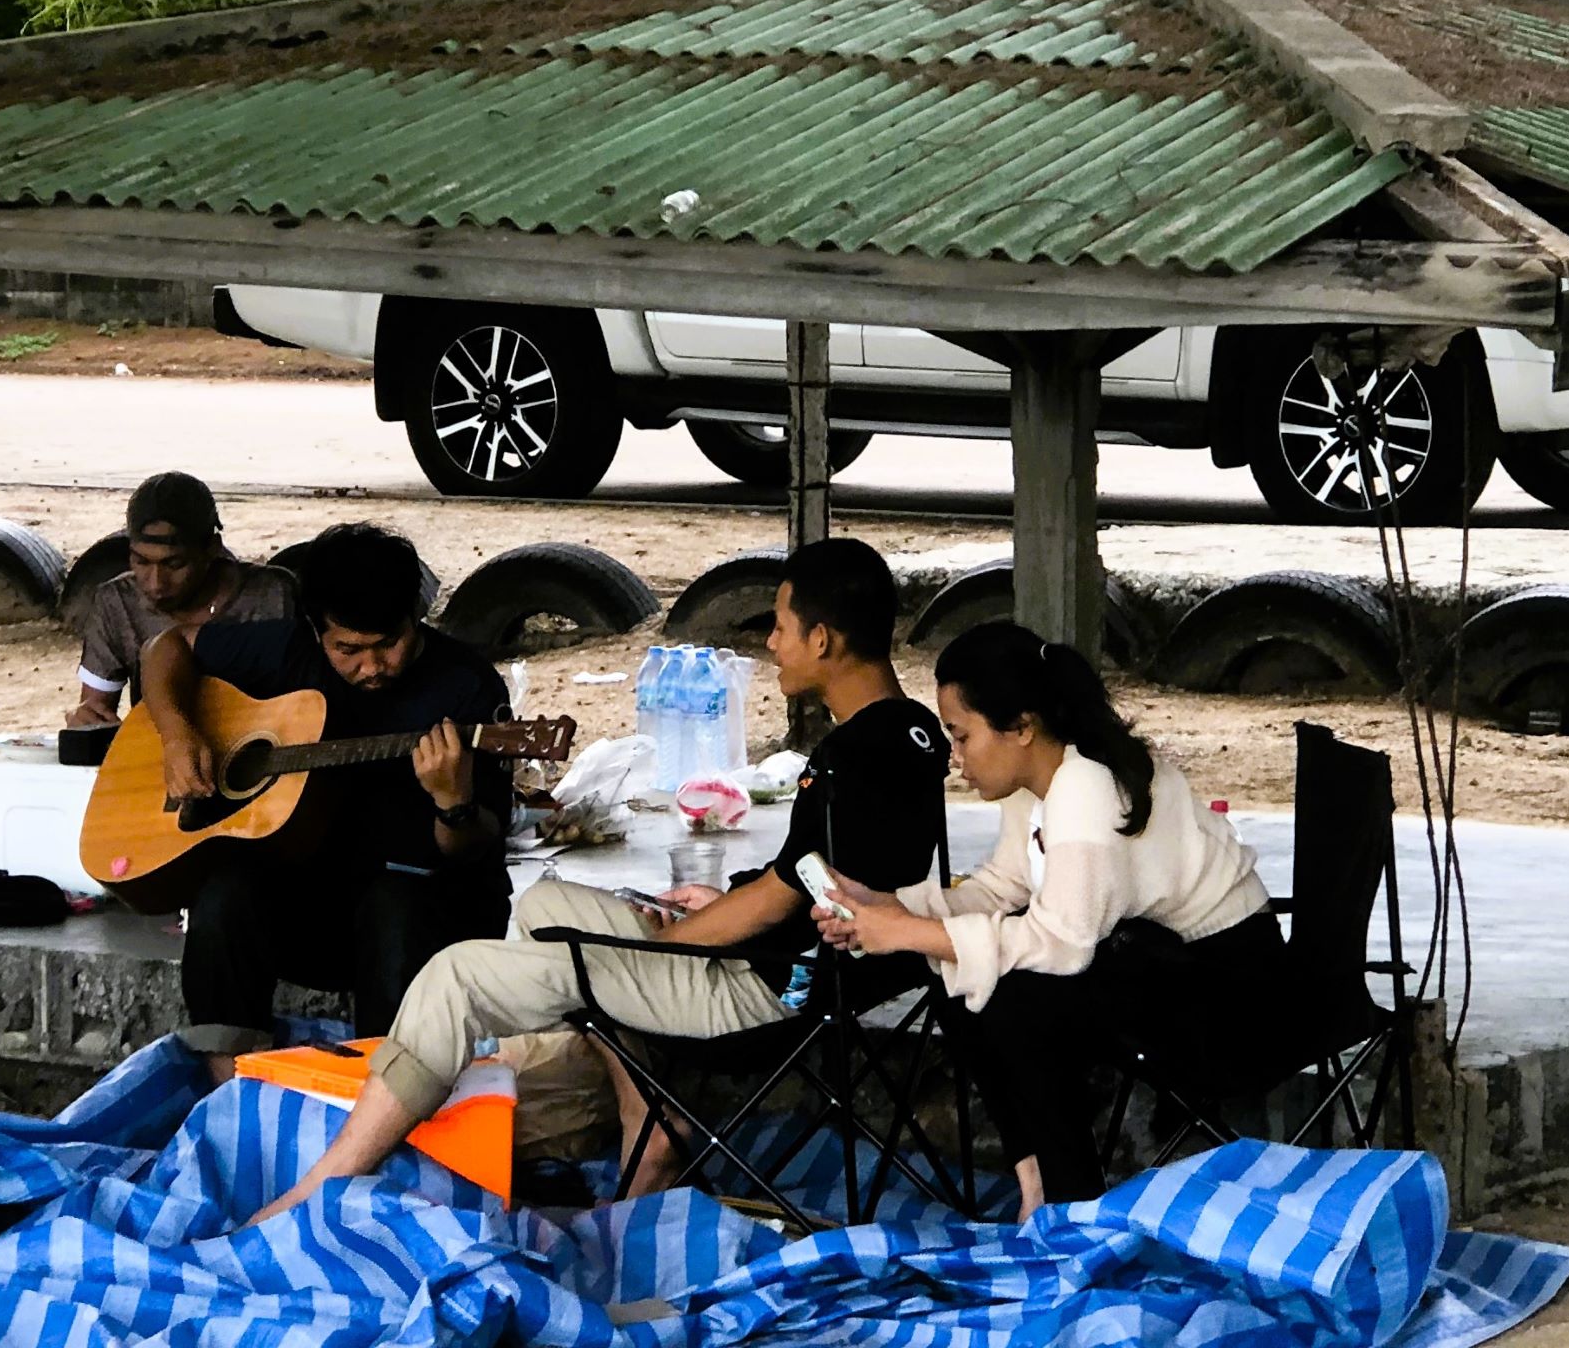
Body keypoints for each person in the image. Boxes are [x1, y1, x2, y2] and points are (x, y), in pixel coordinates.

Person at [244, 536, 948, 1224]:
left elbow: (774, 903)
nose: (771, 644)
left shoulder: (848, 757)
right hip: (822, 971)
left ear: (822, 640)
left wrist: (676, 940)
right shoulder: (911, 731)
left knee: (455, 977)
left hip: (762, 994)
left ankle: (319, 1190)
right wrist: (720, 906)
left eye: (784, 627)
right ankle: (647, 1114)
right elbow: (828, 874)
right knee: (549, 900)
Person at [815, 620, 1281, 1215]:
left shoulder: (1084, 787)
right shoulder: (1038, 780)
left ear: (1021, 728)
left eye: (961, 737)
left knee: (1015, 1001)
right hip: (1155, 956)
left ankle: (1068, 1205)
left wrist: (908, 932)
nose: (954, 760)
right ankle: (1036, 1176)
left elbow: (1062, 943)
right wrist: (889, 906)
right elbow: (1003, 886)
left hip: (1233, 987)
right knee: (964, 984)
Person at [143, 522, 514, 1082]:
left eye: (389, 643)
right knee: (223, 896)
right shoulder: (285, 651)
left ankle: (386, 1098)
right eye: (348, 649)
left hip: (428, 917)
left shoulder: (466, 688)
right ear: (316, 633)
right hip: (312, 907)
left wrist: (453, 804)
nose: (372, 666)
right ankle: (231, 1089)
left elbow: (471, 848)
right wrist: (176, 733)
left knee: (396, 901)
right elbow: (163, 647)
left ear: (415, 617)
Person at [68, 472, 298, 728]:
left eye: (174, 564)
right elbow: (95, 708)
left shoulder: (273, 596)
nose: (155, 583)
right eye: (141, 562)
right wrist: (88, 723)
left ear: (212, 549)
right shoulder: (118, 603)